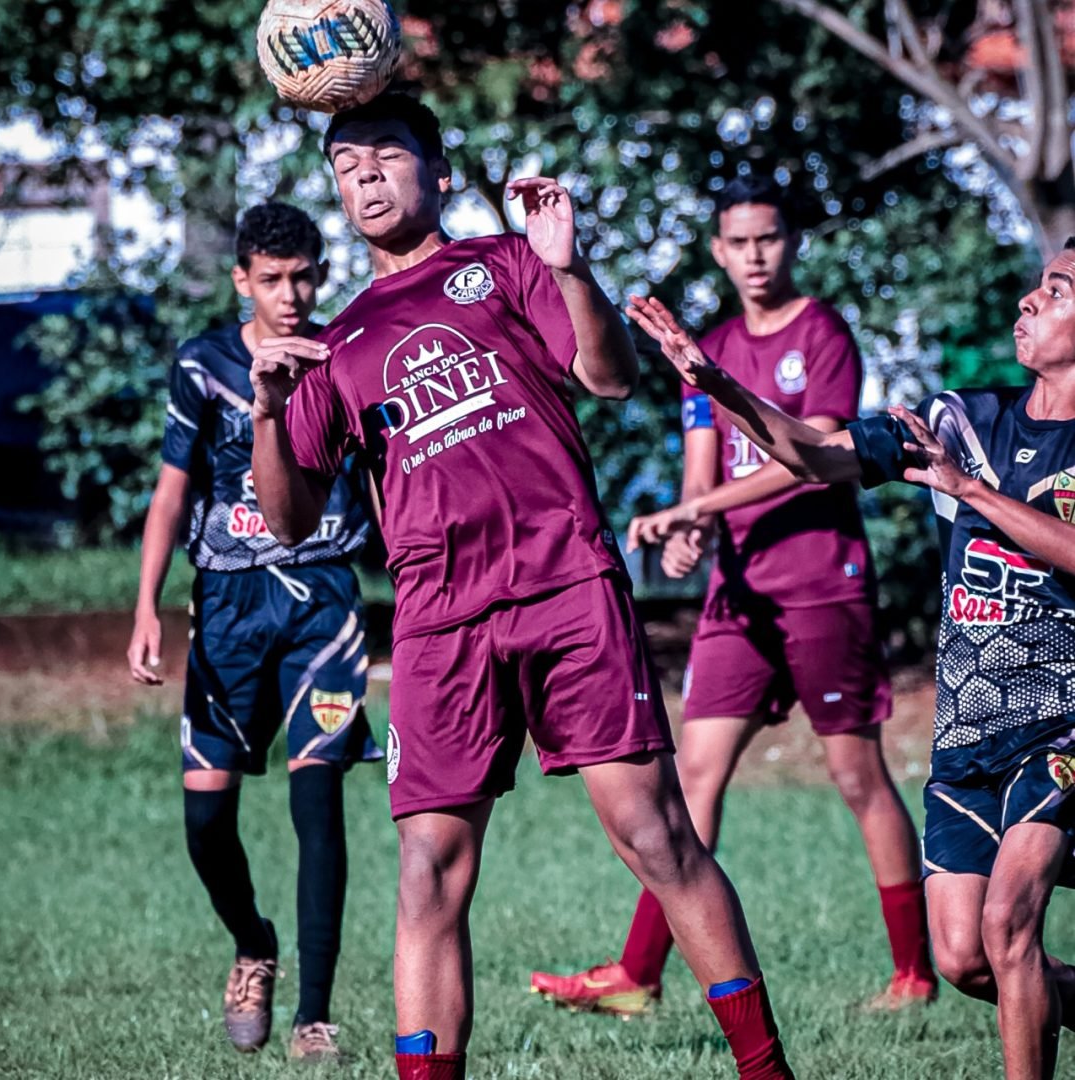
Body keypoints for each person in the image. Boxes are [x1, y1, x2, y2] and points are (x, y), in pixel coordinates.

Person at [247, 93, 795, 1080]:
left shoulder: (501, 265)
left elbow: (612, 376)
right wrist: (267, 412)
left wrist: (568, 264)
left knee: (655, 836)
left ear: (441, 174)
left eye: (385, 157)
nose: (364, 176)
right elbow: (288, 519)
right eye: (345, 166)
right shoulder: (337, 344)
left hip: (565, 588)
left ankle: (766, 1071)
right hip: (437, 622)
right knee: (427, 877)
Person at [625, 239, 1075, 1079]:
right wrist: (717, 384)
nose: (1027, 303)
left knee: (1010, 923)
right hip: (970, 740)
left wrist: (972, 493)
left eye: (1056, 292)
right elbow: (817, 455)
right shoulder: (962, 421)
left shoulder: (971, 464)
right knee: (967, 959)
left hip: (1066, 729)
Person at [531, 176, 936, 1016]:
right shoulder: (703, 347)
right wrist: (689, 531)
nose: (755, 256)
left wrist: (691, 510)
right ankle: (638, 975)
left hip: (822, 581)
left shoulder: (822, 333)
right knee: (694, 772)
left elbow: (815, 456)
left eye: (769, 239)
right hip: (739, 593)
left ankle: (914, 973)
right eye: (738, 242)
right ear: (718, 250)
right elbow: (700, 476)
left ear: (791, 244)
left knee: (857, 774)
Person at [127, 202, 381, 1063]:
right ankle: (252, 944)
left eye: (306, 274)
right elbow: (171, 491)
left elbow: (385, 481)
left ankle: (315, 1014)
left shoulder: (347, 355)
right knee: (206, 822)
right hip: (228, 607)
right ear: (242, 280)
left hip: (322, 602)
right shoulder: (203, 364)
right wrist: (146, 611)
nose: (293, 293)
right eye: (272, 278)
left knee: (319, 805)